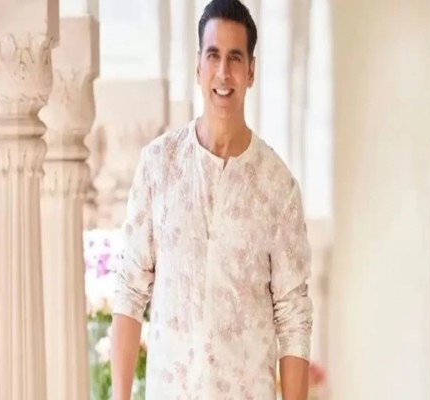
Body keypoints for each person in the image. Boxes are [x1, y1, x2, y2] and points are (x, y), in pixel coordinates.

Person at [111, 0, 313, 398]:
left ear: (251, 71)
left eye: (235, 58)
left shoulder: (278, 187)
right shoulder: (159, 165)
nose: (223, 72)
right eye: (213, 55)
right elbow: (130, 290)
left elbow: (293, 317)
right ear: (198, 66)